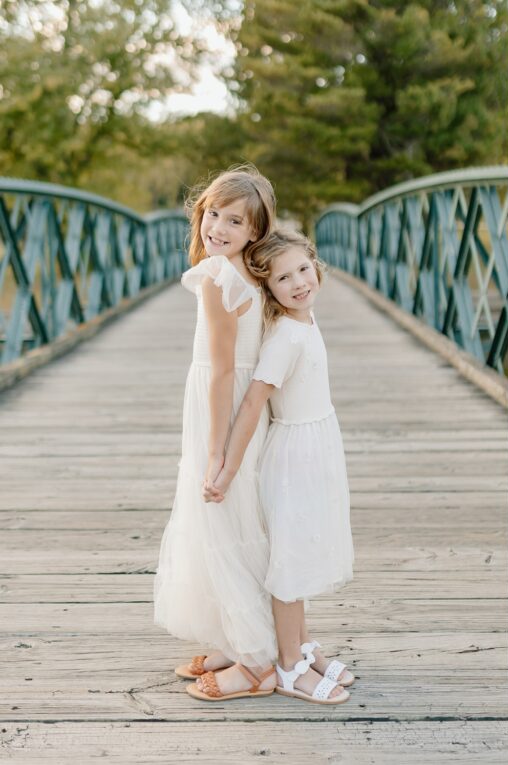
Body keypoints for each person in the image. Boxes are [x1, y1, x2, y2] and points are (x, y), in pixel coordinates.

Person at [203, 228, 355, 704]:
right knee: (290, 558)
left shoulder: (306, 320)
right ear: (268, 290)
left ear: (317, 267)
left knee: (305, 550)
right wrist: (225, 467)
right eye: (283, 279)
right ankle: (289, 667)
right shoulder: (286, 335)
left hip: (318, 445)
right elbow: (251, 403)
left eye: (303, 270)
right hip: (293, 456)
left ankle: (301, 646)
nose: (298, 283)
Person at [153, 165, 279, 700]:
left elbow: (223, 371)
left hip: (221, 407)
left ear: (255, 232)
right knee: (237, 516)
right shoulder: (243, 273)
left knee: (220, 516)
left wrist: (214, 452)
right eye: (211, 214)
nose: (217, 227)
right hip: (238, 400)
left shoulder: (216, 279)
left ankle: (255, 662)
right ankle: (236, 636)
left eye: (234, 221)